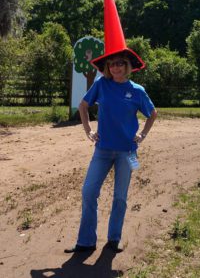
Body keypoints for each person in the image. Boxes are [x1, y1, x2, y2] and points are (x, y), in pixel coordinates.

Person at [65, 52, 157, 254]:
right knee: (88, 192)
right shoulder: (101, 85)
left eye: (120, 64)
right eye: (112, 64)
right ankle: (86, 241)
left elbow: (152, 113)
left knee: (120, 197)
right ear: (108, 66)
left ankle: (114, 239)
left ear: (127, 66)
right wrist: (88, 131)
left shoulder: (137, 90)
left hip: (127, 152)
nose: (116, 68)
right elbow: (83, 105)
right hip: (103, 150)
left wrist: (142, 135)